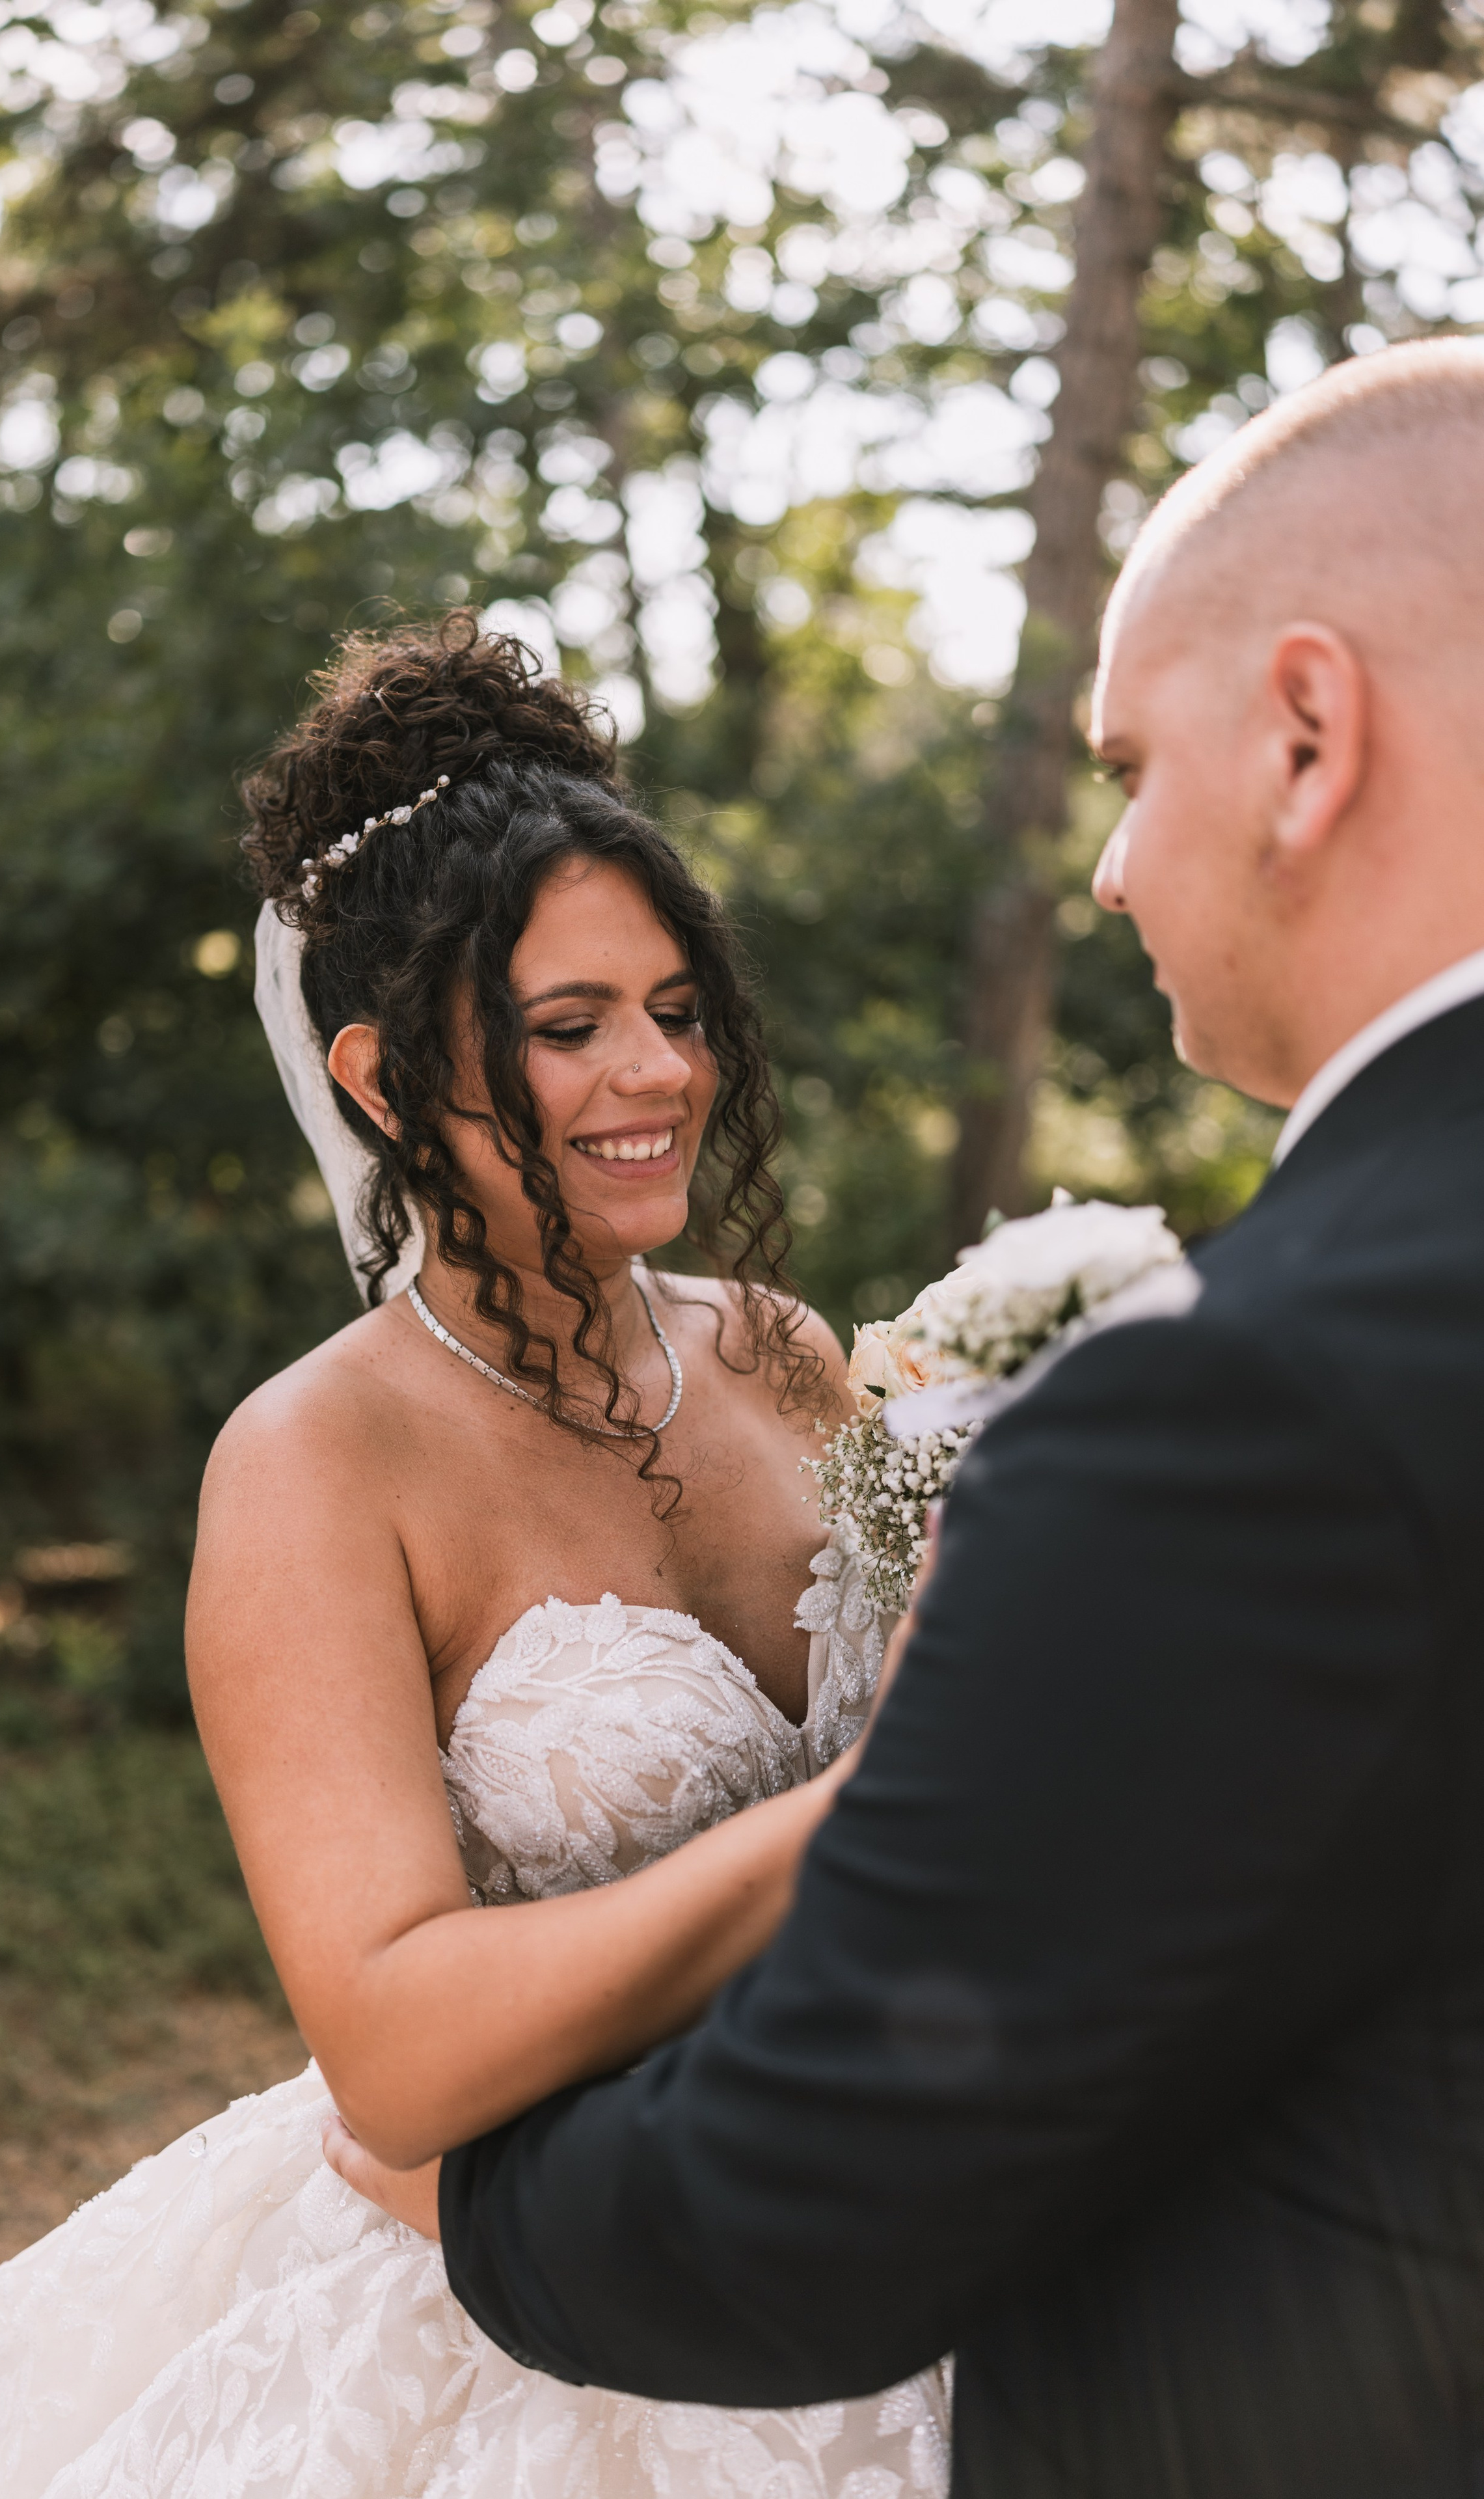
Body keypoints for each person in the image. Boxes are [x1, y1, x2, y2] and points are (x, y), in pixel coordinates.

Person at [416, 341, 1484, 2498]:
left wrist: (453, 2203)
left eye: (1128, 768)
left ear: (1305, 732)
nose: (1107, 871)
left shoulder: (1239, 1406)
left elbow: (810, 2200)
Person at [0, 620, 952, 2499]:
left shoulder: (786, 1350)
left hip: (903, 2198)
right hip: (533, 2283)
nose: (654, 1073)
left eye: (676, 1010)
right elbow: (400, 2052)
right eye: (567, 1025)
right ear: (375, 1077)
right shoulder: (314, 1464)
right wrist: (878, 1807)